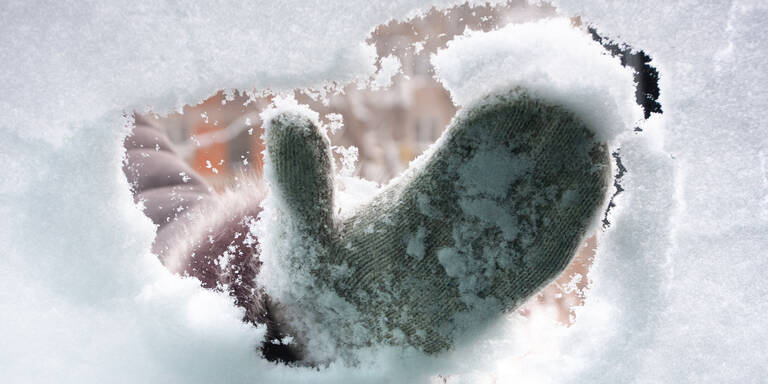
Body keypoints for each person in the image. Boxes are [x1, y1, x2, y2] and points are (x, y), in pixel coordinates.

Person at [123, 89, 610, 364]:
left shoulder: (92, 106)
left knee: (173, 234)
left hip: (147, 227)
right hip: (134, 238)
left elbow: (156, 183)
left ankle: (297, 312)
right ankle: (304, 317)